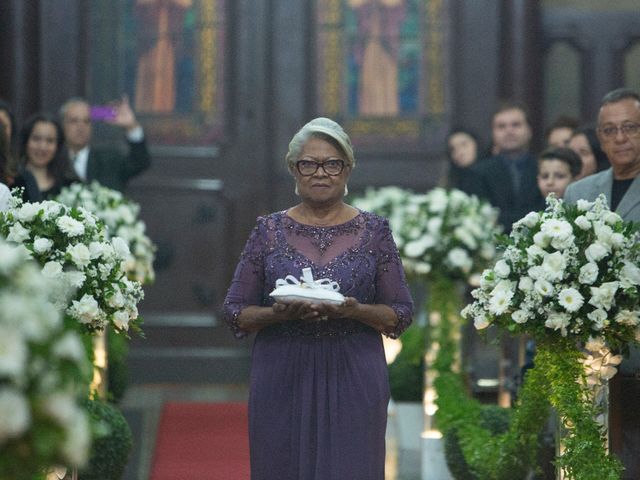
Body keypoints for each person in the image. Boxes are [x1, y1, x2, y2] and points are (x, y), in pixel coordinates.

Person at [222, 117, 414, 480]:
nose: (320, 172)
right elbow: (235, 312)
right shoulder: (268, 230)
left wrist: (355, 311)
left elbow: (400, 314)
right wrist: (280, 315)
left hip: (354, 370)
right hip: (283, 370)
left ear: (347, 169)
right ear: (294, 171)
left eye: (332, 163)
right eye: (309, 164)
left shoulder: (375, 231)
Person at [564, 87, 640, 479]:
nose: (620, 138)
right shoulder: (580, 192)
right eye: (609, 130)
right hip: (589, 355)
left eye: (629, 128)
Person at [464, 100, 542, 231]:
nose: (509, 131)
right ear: (493, 133)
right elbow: (480, 217)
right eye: (501, 126)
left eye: (516, 125)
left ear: (529, 131)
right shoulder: (477, 173)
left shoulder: (543, 169)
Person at [59, 96, 151, 192]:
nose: (81, 126)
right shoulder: (54, 160)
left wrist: (131, 127)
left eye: (86, 121)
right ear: (62, 125)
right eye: (74, 121)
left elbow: (140, 162)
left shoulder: (110, 159)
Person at [13, 113, 76, 200]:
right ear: (25, 141)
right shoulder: (11, 181)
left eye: (50, 141)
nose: (42, 147)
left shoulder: (70, 186)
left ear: (58, 146)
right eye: (36, 139)